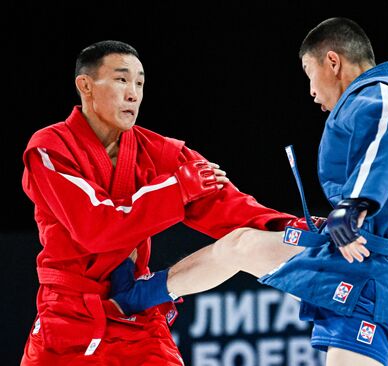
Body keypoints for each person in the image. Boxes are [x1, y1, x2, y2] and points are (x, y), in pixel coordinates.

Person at [109, 18, 388, 366]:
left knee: (242, 247)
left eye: (309, 76)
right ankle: (139, 296)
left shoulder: (385, 96)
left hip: (372, 269)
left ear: (333, 61)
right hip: (354, 252)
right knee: (240, 245)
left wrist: (355, 204)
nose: (312, 93)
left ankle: (138, 296)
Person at [19, 40, 319, 365]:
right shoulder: (50, 148)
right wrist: (176, 190)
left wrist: (290, 225)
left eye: (139, 83)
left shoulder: (159, 153)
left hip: (136, 317)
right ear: (86, 85)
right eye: (121, 80)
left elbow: (228, 206)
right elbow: (95, 226)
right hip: (66, 322)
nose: (133, 93)